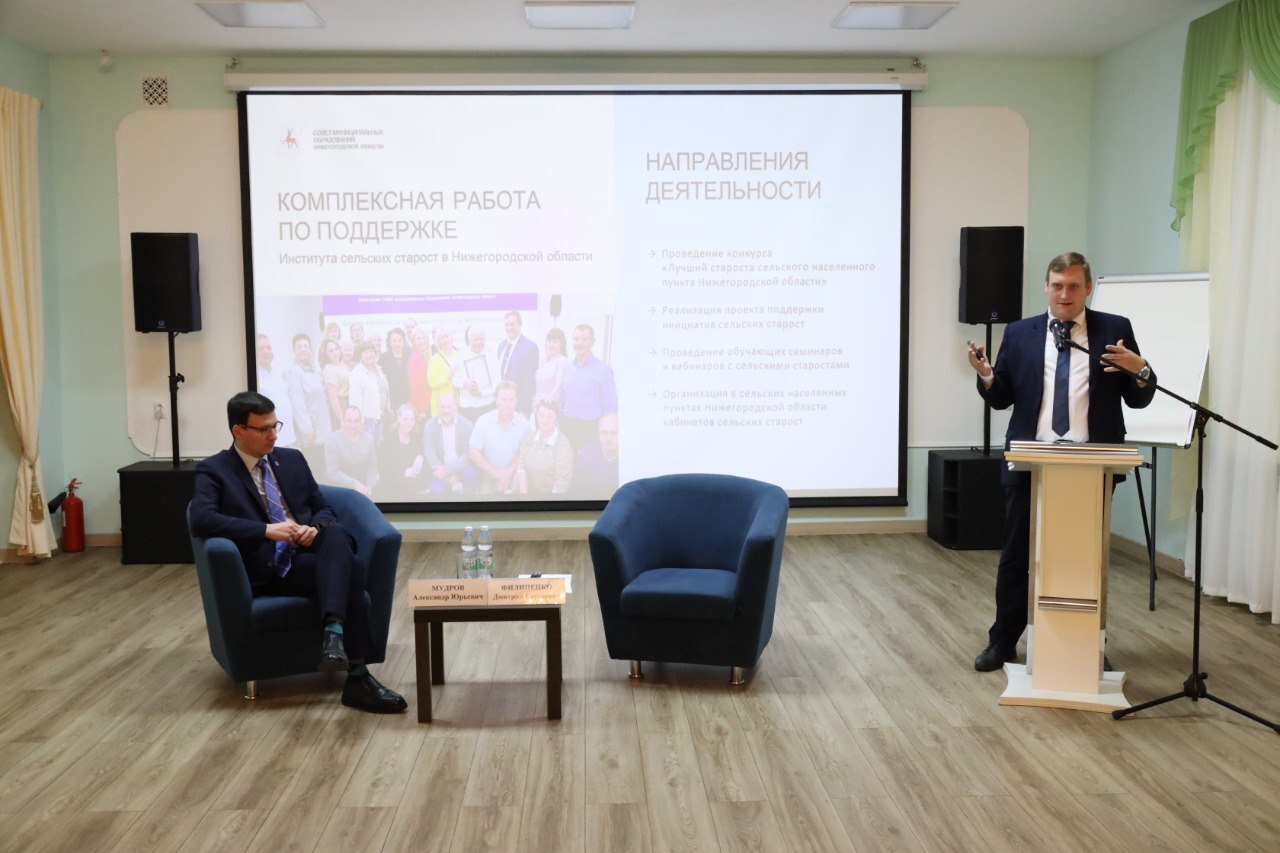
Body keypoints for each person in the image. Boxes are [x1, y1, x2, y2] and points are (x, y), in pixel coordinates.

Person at [968, 252, 1156, 672]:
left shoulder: (1114, 329)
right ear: (1046, 288)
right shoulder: (1020, 332)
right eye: (1057, 286)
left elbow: (1137, 398)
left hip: (1091, 466)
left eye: (1073, 286)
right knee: (1016, 556)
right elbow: (1002, 398)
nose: (1065, 294)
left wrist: (1141, 370)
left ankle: (1086, 643)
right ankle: (1003, 641)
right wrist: (986, 375)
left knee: (1085, 558)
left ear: (1087, 288)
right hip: (1031, 461)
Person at [189, 392, 406, 713]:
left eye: (275, 426)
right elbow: (201, 518)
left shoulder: (291, 459)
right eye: (264, 429)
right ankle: (357, 676)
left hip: (309, 553)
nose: (273, 435)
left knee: (333, 533)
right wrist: (266, 530)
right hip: (270, 566)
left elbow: (323, 508)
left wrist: (313, 528)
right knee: (352, 569)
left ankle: (334, 636)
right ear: (238, 430)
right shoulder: (215, 470)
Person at [560, 323, 618, 451]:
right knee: (567, 462)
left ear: (593, 341)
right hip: (567, 427)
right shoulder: (567, 367)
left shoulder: (604, 370)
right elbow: (562, 400)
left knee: (588, 463)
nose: (579, 343)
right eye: (576, 339)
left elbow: (611, 408)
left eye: (584, 339)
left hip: (591, 430)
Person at [468, 381, 531, 494]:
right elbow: (473, 453)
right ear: (496, 400)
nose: (507, 404)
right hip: (488, 476)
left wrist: (507, 474)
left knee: (519, 486)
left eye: (510, 400)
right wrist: (496, 473)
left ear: (516, 401)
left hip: (512, 476)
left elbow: (523, 454)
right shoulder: (483, 421)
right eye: (503, 399)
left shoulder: (524, 424)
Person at [283, 332, 332, 469]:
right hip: (311, 433)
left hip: (324, 428)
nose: (303, 349)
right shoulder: (293, 373)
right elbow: (297, 404)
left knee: (326, 467)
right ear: (294, 351)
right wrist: (307, 430)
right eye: (299, 347)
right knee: (315, 469)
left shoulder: (315, 370)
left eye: (306, 346)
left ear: (311, 349)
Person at [516, 400, 574, 495]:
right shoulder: (530, 436)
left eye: (550, 416)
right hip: (528, 493)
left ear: (556, 418)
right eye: (541, 415)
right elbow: (521, 466)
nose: (545, 420)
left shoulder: (562, 444)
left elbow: (561, 482)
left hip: (550, 497)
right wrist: (524, 497)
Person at [423, 391, 475, 494]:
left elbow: (468, 455)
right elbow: (430, 454)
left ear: (456, 406)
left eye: (449, 407)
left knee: (470, 474)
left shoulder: (466, 425)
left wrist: (447, 470)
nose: (446, 410)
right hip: (439, 469)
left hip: (461, 468)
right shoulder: (430, 425)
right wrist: (447, 476)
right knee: (436, 490)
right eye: (442, 407)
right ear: (437, 407)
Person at [323, 406, 379, 496]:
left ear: (361, 422)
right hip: (340, 488)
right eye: (349, 421)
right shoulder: (333, 440)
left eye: (356, 421)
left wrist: (370, 485)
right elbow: (331, 472)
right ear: (343, 422)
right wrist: (354, 484)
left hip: (363, 487)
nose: (353, 425)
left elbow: (372, 466)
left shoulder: (368, 439)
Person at [254, 333, 296, 447]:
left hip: (289, 437)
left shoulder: (278, 371)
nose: (266, 351)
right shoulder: (254, 376)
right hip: (270, 440)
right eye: (261, 349)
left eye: (269, 348)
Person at [377, 404, 424, 500]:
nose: (408, 423)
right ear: (398, 418)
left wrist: (421, 456)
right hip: (392, 490)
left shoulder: (417, 438)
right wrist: (403, 472)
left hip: (412, 488)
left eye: (412, 419)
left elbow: (423, 457)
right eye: (405, 419)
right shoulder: (388, 440)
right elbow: (383, 469)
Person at [497, 310, 539, 414]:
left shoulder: (530, 347)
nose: (509, 328)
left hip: (518, 406)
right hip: (502, 404)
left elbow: (529, 382)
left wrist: (524, 410)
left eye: (512, 324)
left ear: (520, 325)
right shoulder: (501, 346)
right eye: (506, 325)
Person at [348, 342, 390, 438]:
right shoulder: (356, 374)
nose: (370, 354)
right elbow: (355, 401)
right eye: (366, 352)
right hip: (368, 421)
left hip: (382, 417)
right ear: (360, 355)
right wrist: (360, 422)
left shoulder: (378, 369)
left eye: (371, 351)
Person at [457, 325, 496, 423]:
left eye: (481, 339)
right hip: (467, 408)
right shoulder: (460, 356)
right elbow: (454, 380)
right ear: (469, 340)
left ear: (485, 339)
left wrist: (481, 393)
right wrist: (464, 383)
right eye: (475, 339)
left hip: (487, 406)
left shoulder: (492, 356)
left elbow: (497, 384)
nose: (478, 342)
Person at [574, 411, 619, 496]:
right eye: (604, 432)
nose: (608, 438)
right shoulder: (586, 455)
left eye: (613, 432)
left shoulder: (629, 457)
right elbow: (579, 490)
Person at [427, 326, 462, 417]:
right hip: (441, 405)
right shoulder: (434, 359)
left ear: (451, 338)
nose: (445, 340)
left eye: (446, 336)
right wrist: (447, 376)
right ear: (438, 342)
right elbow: (432, 383)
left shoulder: (459, 355)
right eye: (441, 338)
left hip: (458, 403)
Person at [534, 327, 569, 410]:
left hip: (551, 408)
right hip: (538, 407)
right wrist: (535, 401)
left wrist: (545, 405)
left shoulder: (563, 361)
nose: (550, 344)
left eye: (555, 342)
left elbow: (558, 387)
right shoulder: (543, 361)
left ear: (562, 344)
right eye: (549, 341)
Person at [320, 338, 349, 430]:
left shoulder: (341, 364)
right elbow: (333, 398)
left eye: (336, 349)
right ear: (326, 355)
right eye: (331, 351)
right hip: (341, 408)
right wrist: (341, 419)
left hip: (348, 405)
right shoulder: (329, 370)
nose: (335, 352)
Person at [381, 327, 411, 410]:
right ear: (389, 342)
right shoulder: (383, 358)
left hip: (409, 401)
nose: (397, 344)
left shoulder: (410, 355)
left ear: (403, 341)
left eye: (400, 340)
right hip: (392, 404)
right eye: (394, 341)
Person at [406, 327, 433, 418]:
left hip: (429, 403)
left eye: (424, 338)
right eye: (419, 338)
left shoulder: (427, 357)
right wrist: (421, 409)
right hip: (421, 407)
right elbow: (414, 386)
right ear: (413, 342)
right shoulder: (414, 359)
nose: (422, 341)